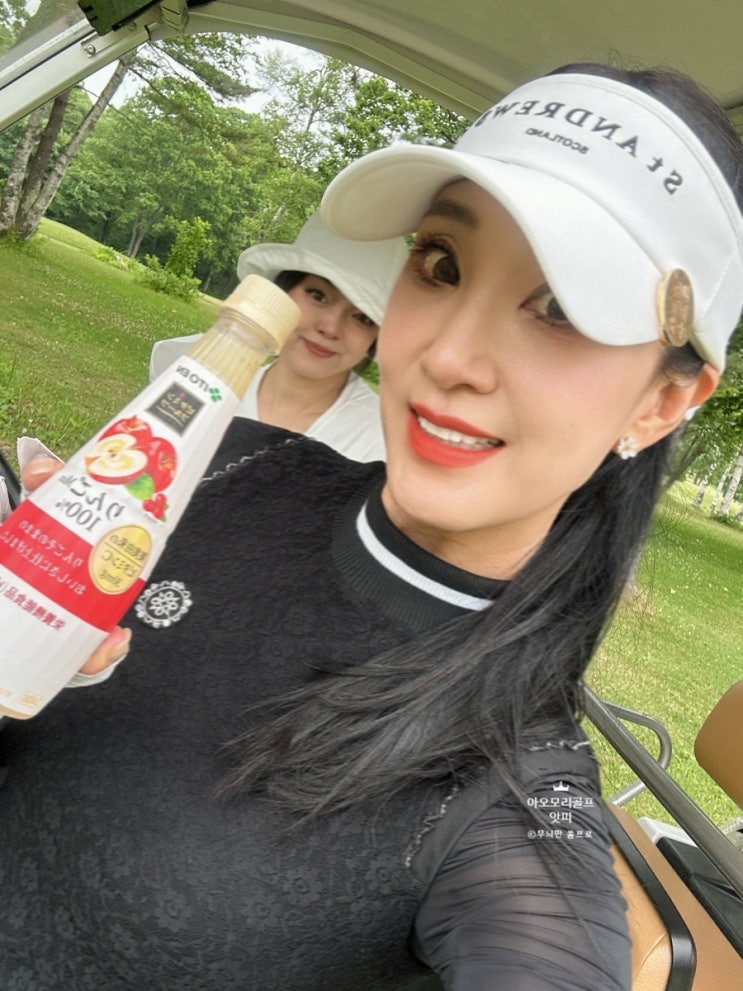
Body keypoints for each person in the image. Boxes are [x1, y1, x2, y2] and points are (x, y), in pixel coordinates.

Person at [1, 61, 741, 991]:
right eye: (442, 265)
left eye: (558, 308)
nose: (446, 353)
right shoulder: (229, 462)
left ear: (662, 402)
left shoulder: (515, 783)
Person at [149, 212, 409, 462]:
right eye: (317, 295)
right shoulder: (200, 382)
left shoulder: (384, 444)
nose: (330, 328)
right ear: (283, 291)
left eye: (362, 318)